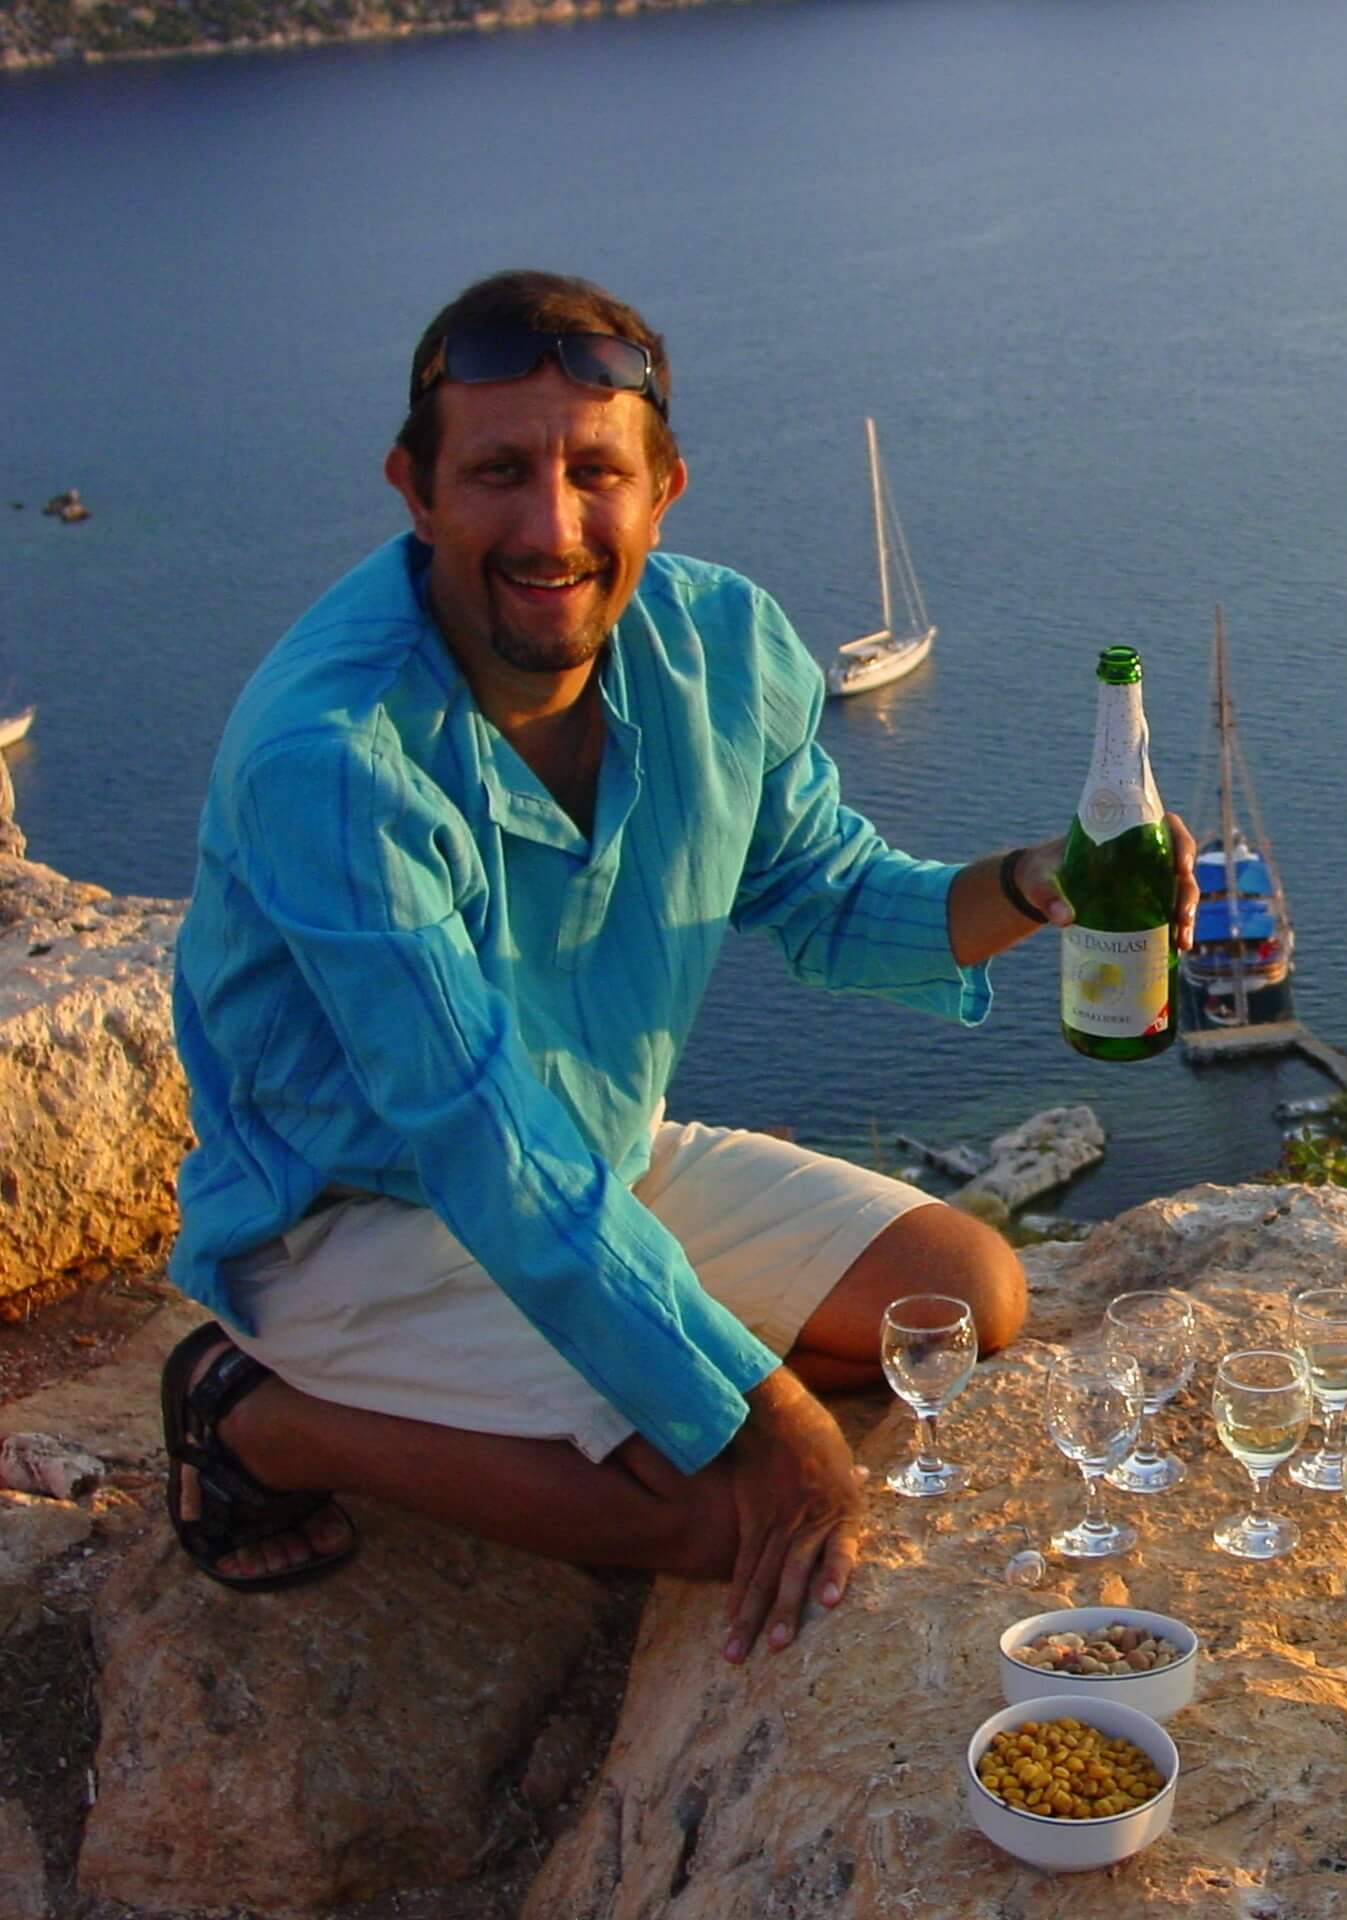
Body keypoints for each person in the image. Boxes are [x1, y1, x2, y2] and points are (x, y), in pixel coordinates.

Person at [160, 270, 1195, 1664]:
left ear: (665, 490)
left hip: (595, 1154)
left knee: (964, 1297)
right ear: (415, 489)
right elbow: (476, 1141)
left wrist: (1033, 887)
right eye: (499, 473)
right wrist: (760, 1419)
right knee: (722, 1507)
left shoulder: (720, 649)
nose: (552, 526)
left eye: (597, 472)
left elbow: (827, 897)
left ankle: (614, 1377)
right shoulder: (337, 761)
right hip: (357, 1214)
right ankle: (249, 1412)